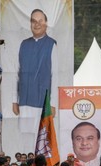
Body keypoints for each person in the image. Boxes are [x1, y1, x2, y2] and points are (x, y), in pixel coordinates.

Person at [12, 9, 58, 154]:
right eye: (33, 21)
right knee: (25, 138)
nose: (37, 24)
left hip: (43, 100)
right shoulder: (23, 44)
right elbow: (16, 74)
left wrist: (53, 103)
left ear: (46, 23)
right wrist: (15, 100)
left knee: (42, 137)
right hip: (25, 99)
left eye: (40, 21)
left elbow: (55, 75)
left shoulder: (52, 44)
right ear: (30, 24)